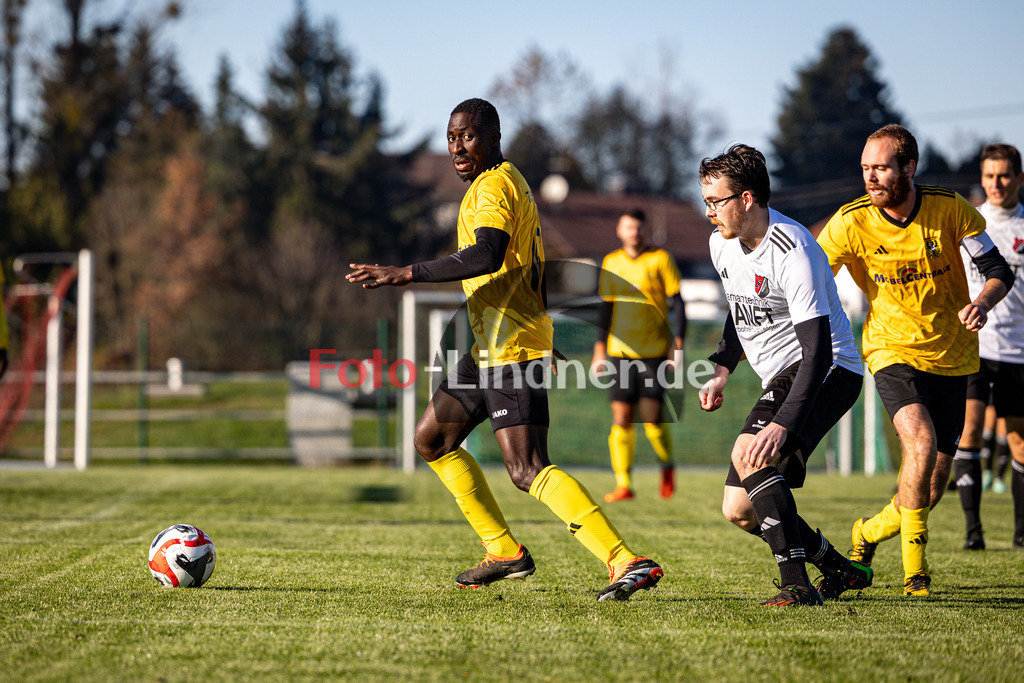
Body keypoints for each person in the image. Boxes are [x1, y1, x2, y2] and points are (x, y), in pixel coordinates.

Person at [346, 98, 663, 601]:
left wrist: (407, 272)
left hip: (509, 347)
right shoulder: (505, 182)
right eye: (451, 138)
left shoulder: (494, 185)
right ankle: (505, 553)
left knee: (527, 467)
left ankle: (625, 560)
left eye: (468, 135)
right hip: (496, 342)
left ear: (493, 136)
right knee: (432, 440)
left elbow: (487, 253)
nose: (458, 147)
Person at [817, 125, 1014, 596]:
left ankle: (866, 531)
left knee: (930, 487)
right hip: (890, 351)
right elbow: (811, 275)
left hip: (955, 356)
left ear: (909, 167)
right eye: (866, 168)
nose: (871, 177)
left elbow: (997, 271)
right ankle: (915, 573)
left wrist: (982, 304)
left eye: (881, 167)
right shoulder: (850, 221)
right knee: (920, 445)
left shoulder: (950, 209)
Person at [698, 144, 873, 606]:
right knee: (737, 509)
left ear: (748, 198)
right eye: (706, 201)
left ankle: (798, 587)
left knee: (749, 454)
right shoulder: (721, 244)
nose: (709, 211)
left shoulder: (794, 249)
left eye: (716, 201)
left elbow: (817, 352)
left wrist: (782, 423)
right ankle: (837, 567)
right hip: (783, 373)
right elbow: (740, 311)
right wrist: (721, 369)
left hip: (829, 369)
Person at [954, 143, 1024, 549]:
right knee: (970, 432)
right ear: (981, 179)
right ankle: (973, 533)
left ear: (1018, 178)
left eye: (1003, 175)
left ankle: (1019, 534)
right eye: (989, 176)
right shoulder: (969, 223)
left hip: (1018, 350)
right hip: (975, 346)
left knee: (1018, 440)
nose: (996, 183)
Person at [591, 207, 686, 502]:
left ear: (645, 230)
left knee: (653, 421)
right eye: (629, 227)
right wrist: (598, 350)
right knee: (621, 418)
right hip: (619, 352)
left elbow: (679, 305)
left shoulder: (661, 259)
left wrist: (678, 345)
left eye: (638, 227)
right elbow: (605, 309)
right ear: (620, 231)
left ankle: (667, 466)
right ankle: (623, 485)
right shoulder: (611, 262)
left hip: (654, 352)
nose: (634, 232)